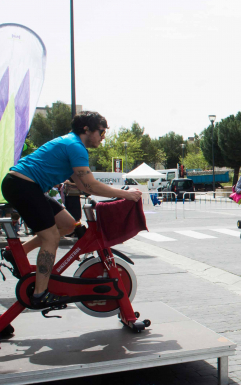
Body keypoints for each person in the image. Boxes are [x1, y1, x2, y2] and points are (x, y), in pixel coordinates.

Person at [0, 111, 142, 310]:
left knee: (68, 225)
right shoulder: (75, 146)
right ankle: (40, 294)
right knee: (51, 237)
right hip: (22, 185)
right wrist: (125, 194)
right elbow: (91, 185)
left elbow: (84, 186)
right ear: (86, 129)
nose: (103, 137)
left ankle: (16, 254)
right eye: (101, 132)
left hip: (26, 185)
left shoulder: (72, 144)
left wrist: (116, 194)